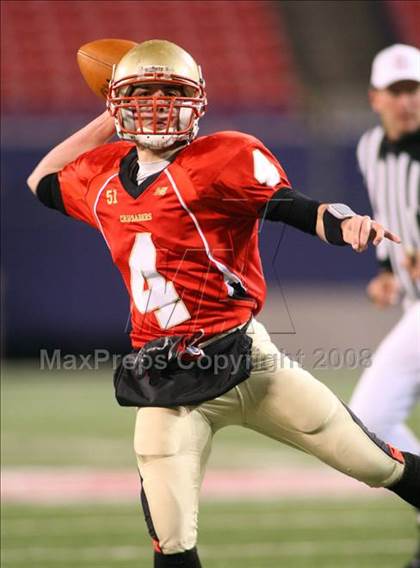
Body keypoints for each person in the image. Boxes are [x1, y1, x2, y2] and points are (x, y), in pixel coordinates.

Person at [27, 40, 420, 568]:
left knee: (377, 465)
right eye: (142, 94)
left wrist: (344, 222)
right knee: (171, 539)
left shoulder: (222, 157)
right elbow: (40, 181)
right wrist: (103, 119)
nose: (158, 106)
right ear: (115, 102)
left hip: (250, 363)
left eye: (171, 93)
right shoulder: (100, 176)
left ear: (198, 102)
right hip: (167, 381)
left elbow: (294, 208)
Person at [349, 43, 420, 568]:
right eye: (396, 91)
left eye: (414, 89)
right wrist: (383, 271)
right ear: (375, 98)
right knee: (368, 420)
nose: (406, 101)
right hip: (414, 308)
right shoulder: (370, 147)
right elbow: (385, 212)